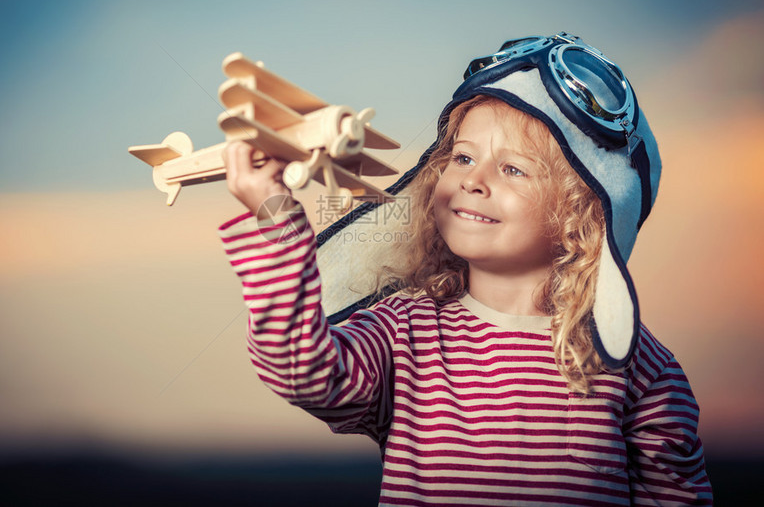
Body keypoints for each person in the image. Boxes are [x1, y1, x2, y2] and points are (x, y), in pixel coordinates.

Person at [219, 33, 713, 505]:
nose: (474, 181)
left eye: (513, 169)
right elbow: (302, 372)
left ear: (580, 212)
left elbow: (676, 495)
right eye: (462, 157)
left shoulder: (638, 365)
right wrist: (275, 215)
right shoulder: (404, 332)